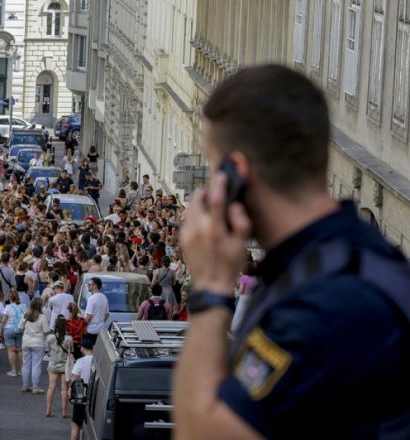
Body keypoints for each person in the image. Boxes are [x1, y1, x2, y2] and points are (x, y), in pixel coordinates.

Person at [174, 65, 410, 439]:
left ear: (236, 173)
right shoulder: (352, 258)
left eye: (214, 168)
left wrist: (209, 287)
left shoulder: (323, 302)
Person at [19, 297, 50, 394]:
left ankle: (25, 385)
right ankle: (35, 387)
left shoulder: (26, 315)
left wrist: (27, 332)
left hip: (26, 341)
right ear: (40, 305)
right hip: (38, 342)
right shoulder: (42, 317)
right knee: (36, 365)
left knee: (26, 364)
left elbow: (20, 328)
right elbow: (46, 331)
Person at [45, 316, 73, 418]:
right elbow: (71, 352)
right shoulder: (69, 339)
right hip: (65, 366)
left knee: (51, 387)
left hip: (53, 365)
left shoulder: (50, 338)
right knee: (64, 389)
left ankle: (48, 410)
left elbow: (47, 352)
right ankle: (64, 412)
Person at [69, 338, 94, 440]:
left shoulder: (80, 361)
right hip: (94, 391)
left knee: (76, 423)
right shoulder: (97, 360)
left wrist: (71, 391)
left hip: (80, 391)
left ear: (83, 348)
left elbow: (75, 377)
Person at [0, 290, 26, 376]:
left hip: (9, 329)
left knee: (11, 350)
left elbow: (3, 321)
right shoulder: (23, 306)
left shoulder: (8, 307)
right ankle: (22, 370)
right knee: (20, 350)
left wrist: (0, 332)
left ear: (9, 297)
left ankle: (13, 371)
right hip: (20, 330)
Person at [82, 277, 109, 346]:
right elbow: (107, 314)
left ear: (95, 286)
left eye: (89, 285)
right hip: (101, 329)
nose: (88, 286)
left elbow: (89, 316)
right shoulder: (104, 297)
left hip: (91, 330)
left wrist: (84, 327)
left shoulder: (92, 298)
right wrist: (101, 321)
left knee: (88, 350)